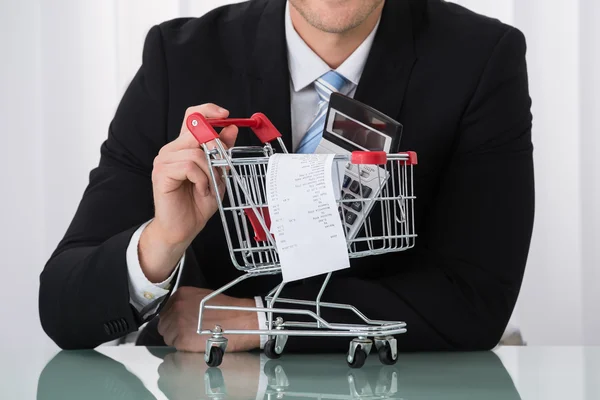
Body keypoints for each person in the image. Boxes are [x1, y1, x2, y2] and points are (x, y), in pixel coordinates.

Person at [39, 0, 534, 353]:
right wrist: (162, 242)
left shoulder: (481, 59)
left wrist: (261, 319)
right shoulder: (179, 58)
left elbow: (475, 300)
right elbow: (63, 305)